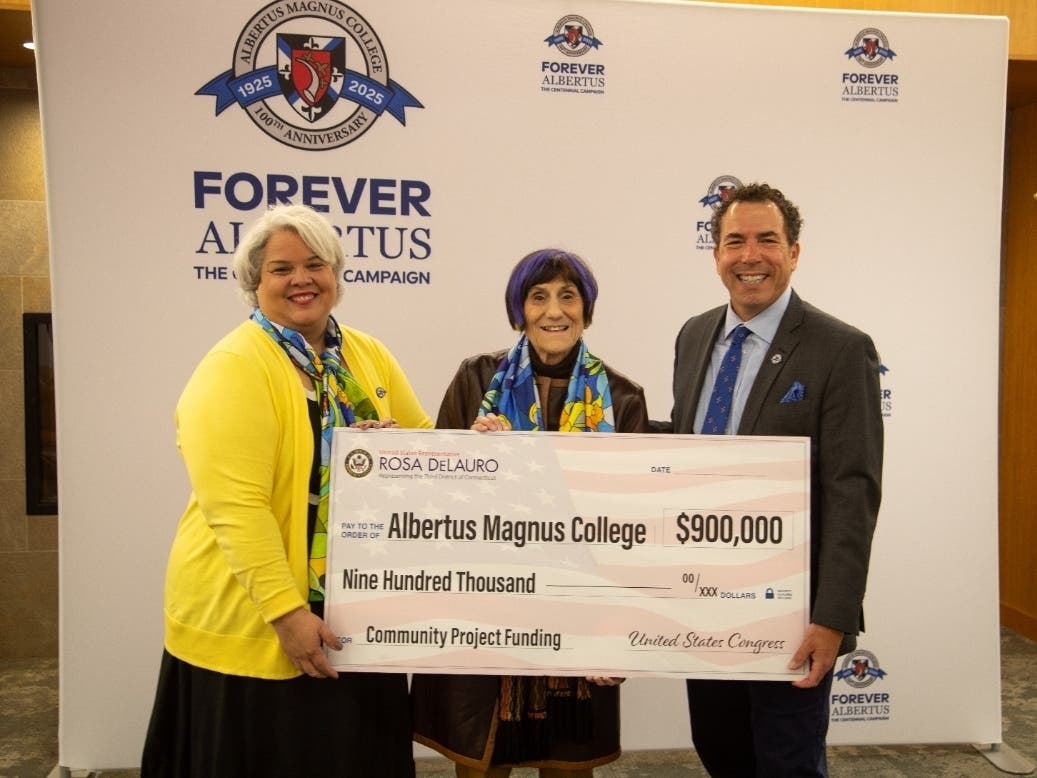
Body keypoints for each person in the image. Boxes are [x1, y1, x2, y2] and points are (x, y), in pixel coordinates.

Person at [141, 203, 433, 777]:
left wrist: (441, 448)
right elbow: (237, 509)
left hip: (352, 606)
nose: (302, 279)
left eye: (315, 264)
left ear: (336, 274)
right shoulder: (234, 366)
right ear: (255, 283)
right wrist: (286, 613)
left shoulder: (366, 354)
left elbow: (422, 441)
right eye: (281, 268)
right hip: (259, 616)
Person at [659, 183, 883, 777]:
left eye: (767, 240)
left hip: (792, 614)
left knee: (788, 764)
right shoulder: (693, 335)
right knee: (721, 752)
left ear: (794, 252)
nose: (750, 256)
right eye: (735, 241)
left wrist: (832, 616)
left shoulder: (841, 348)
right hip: (704, 602)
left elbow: (853, 491)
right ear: (716, 254)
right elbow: (685, 444)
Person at [411, 248, 650, 778]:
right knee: (481, 765)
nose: (554, 310)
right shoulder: (477, 378)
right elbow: (435, 495)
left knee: (568, 765)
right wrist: (476, 461)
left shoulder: (623, 397)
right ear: (518, 309)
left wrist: (621, 628)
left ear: (587, 308)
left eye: (568, 296)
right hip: (485, 609)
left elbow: (631, 528)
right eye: (538, 297)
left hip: (580, 614)